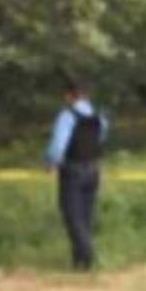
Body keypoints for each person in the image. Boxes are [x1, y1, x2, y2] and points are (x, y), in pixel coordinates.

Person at [46, 81, 108, 271]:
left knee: (72, 214)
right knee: (86, 215)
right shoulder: (99, 117)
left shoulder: (67, 116)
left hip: (73, 169)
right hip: (94, 168)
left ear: (69, 96)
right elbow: (101, 138)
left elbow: (59, 144)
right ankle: (80, 262)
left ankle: (86, 252)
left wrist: (51, 162)